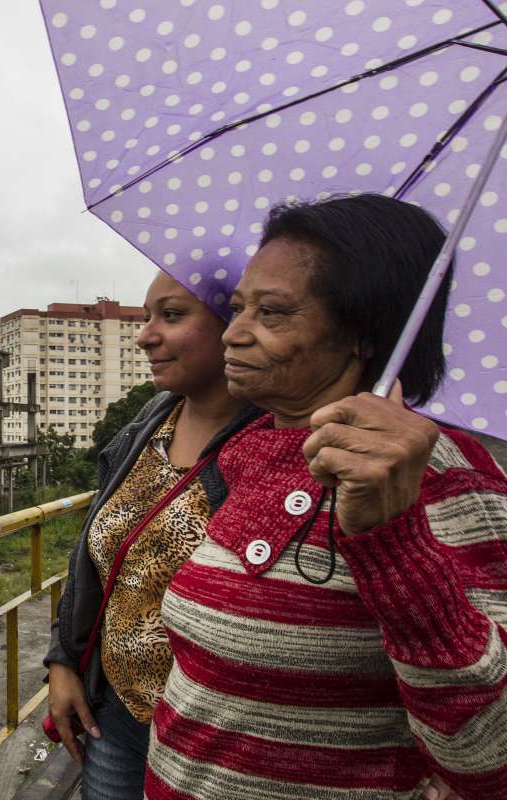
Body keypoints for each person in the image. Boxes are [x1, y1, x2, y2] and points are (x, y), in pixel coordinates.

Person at [146, 194, 507, 799]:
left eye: (274, 313)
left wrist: (393, 540)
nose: (233, 333)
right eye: (238, 308)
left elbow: (488, 757)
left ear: (362, 334)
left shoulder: (443, 480)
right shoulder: (254, 449)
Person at [44, 271, 259, 799]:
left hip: (216, 738)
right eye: (144, 318)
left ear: (234, 324)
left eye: (172, 315)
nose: (144, 336)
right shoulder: (150, 421)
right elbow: (97, 554)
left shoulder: (281, 445)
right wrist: (64, 660)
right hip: (116, 713)